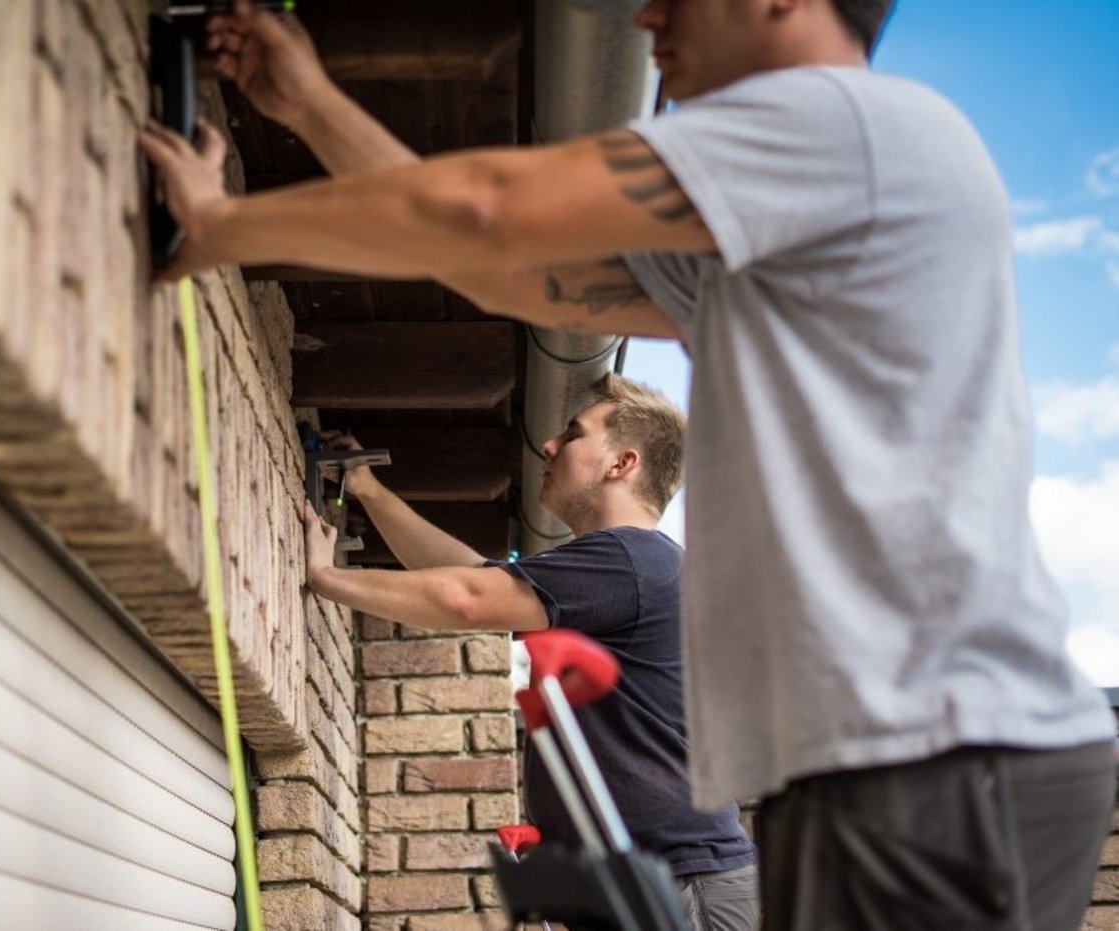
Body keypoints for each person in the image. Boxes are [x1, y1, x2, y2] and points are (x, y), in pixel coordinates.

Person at [141, 2, 1118, 928]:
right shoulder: (787, 229)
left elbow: (489, 207)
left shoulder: (841, 122)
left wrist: (226, 226)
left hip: (934, 761)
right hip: (905, 766)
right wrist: (307, 105)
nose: (646, 18)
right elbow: (501, 266)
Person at [303, 375, 759, 931]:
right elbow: (476, 579)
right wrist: (368, 492)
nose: (548, 445)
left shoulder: (630, 561)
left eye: (573, 433)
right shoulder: (634, 569)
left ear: (621, 463)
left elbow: (468, 600)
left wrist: (326, 578)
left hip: (679, 885)